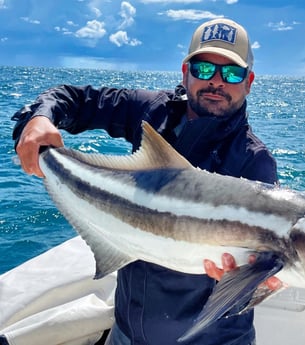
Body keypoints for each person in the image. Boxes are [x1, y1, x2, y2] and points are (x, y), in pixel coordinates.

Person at [12, 18, 280, 345]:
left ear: (249, 81)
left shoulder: (254, 161)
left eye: (232, 73)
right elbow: (74, 98)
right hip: (125, 331)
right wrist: (38, 118)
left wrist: (253, 282)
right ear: (185, 73)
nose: (217, 82)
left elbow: (249, 282)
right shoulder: (153, 111)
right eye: (204, 69)